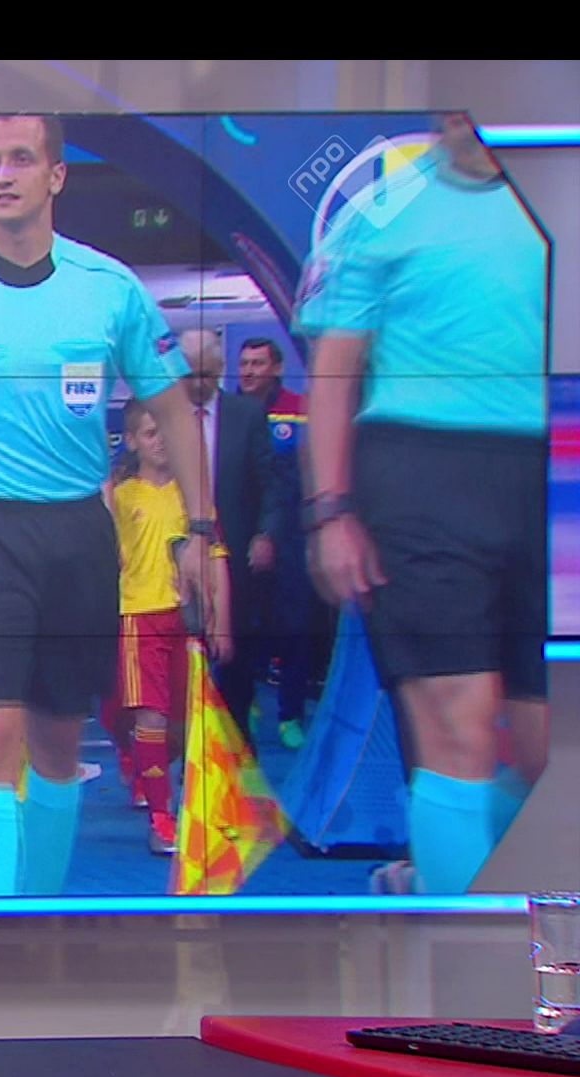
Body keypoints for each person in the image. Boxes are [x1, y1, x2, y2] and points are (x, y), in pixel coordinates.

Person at [0, 113, 218, 897]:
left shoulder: (110, 288)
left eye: (21, 159)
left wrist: (202, 532)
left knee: (58, 751)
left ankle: (36, 914)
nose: (3, 175)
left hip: (77, 538)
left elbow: (174, 410)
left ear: (56, 175)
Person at [296, 112, 549, 894]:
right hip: (420, 483)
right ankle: (458, 944)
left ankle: (432, 879)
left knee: (546, 754)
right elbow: (333, 372)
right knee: (459, 731)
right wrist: (330, 513)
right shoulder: (383, 210)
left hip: (552, 481)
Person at [104, 402, 233, 854]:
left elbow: (217, 558)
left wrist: (222, 621)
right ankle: (162, 817)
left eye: (165, 431)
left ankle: (147, 769)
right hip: (139, 617)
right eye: (149, 432)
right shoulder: (122, 497)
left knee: (181, 723)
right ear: (131, 441)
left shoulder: (195, 501)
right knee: (150, 716)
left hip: (186, 622)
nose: (159, 440)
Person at [180, 329, 289, 745]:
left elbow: (270, 485)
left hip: (236, 555)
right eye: (188, 374)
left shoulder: (246, 416)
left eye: (205, 374)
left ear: (219, 369)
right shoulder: (162, 414)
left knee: (235, 659)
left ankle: (238, 751)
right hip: (175, 554)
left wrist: (266, 534)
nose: (196, 383)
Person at [236, 336, 318, 749]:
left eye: (257, 363)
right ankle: (245, 704)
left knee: (296, 627)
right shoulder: (229, 412)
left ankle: (290, 715)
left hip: (293, 538)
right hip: (243, 531)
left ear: (278, 368)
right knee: (245, 625)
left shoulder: (300, 409)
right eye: (244, 364)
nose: (248, 371)